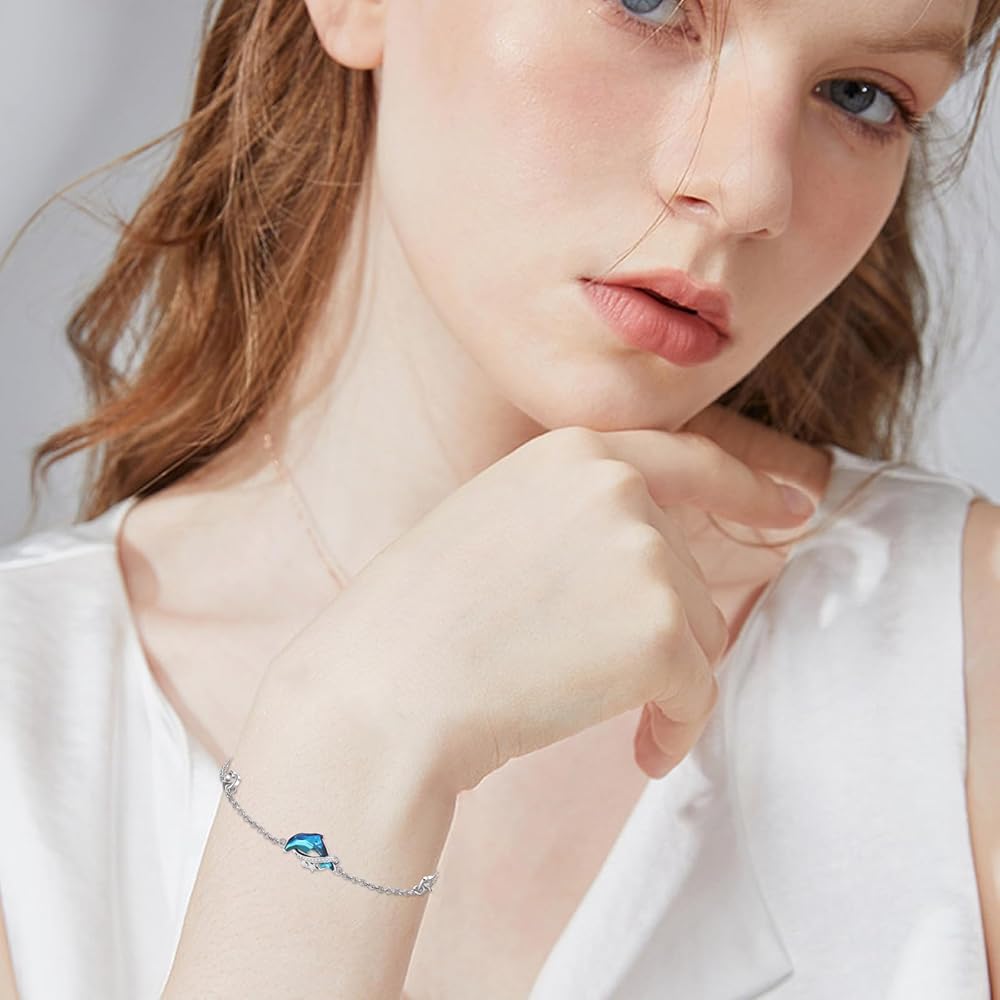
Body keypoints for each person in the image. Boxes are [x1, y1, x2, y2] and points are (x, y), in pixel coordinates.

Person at [1, 0, 999, 996]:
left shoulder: (963, 662)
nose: (750, 189)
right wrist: (352, 743)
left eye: (860, 96)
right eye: (651, 6)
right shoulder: (26, 727)